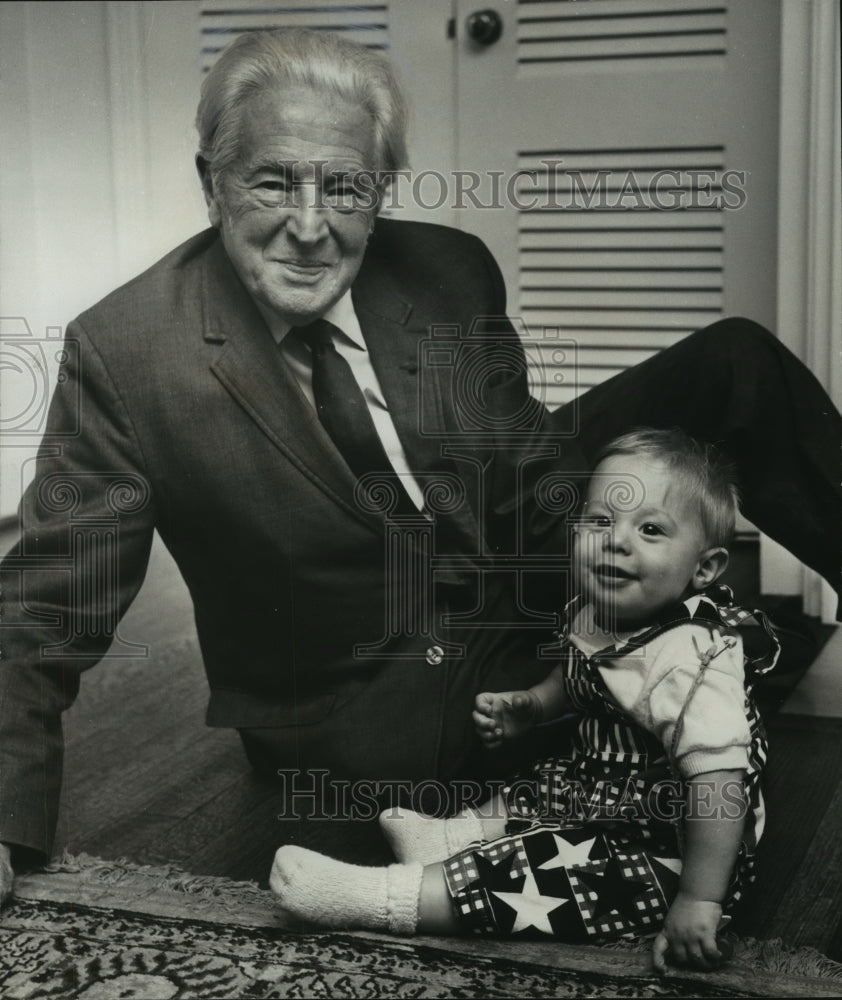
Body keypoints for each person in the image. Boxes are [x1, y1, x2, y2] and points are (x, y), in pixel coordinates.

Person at [0, 27, 840, 906]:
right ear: (212, 182)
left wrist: (637, 564)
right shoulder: (125, 352)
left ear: (381, 192)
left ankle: (643, 683)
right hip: (372, 684)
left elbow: (530, 480)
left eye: (347, 188)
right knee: (651, 712)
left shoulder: (444, 269)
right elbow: (45, 602)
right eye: (274, 180)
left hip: (507, 589)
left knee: (732, 364)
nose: (311, 227)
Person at [267, 428, 781, 973]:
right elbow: (582, 679)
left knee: (539, 876)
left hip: (674, 845)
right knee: (543, 782)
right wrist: (533, 706)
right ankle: (448, 836)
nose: (616, 540)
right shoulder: (599, 612)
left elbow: (720, 788)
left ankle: (379, 897)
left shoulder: (690, 662)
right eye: (600, 521)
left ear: (703, 568)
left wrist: (699, 899)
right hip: (608, 789)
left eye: (650, 529)